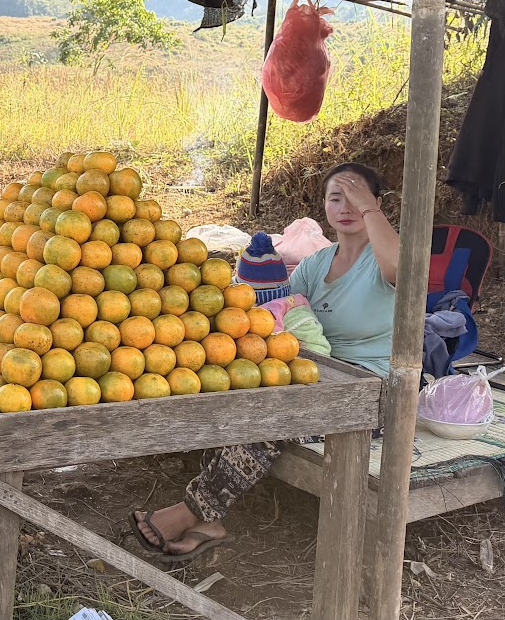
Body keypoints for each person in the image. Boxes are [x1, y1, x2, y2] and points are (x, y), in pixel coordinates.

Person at [132, 162, 400, 561]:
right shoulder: (316, 263)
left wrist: (369, 211)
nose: (346, 205)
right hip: (317, 374)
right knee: (244, 390)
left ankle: (194, 512)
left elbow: (400, 270)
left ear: (376, 203)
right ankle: (207, 517)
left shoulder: (386, 260)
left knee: (274, 414)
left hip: (370, 390)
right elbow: (279, 309)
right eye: (335, 197)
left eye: (357, 195)